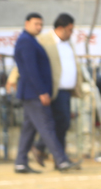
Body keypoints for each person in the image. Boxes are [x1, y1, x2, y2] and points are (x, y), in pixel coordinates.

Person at [12, 12, 77, 174]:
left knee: (29, 129)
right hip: (33, 93)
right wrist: (41, 92)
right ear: (27, 24)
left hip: (32, 93)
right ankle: (61, 160)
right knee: (47, 127)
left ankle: (20, 162)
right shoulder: (26, 41)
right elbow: (30, 70)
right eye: (36, 24)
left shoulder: (31, 40)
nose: (39, 27)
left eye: (41, 24)